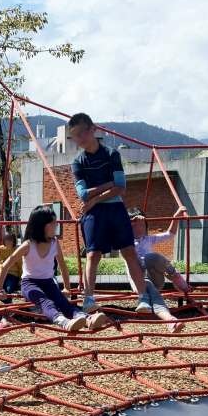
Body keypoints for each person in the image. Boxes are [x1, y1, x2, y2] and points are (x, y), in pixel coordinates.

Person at [66, 113, 152, 314]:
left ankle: (143, 298)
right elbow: (82, 194)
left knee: (129, 251)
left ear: (92, 130)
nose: (78, 139)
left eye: (80, 134)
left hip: (113, 209)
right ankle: (88, 298)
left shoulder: (112, 154)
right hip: (94, 213)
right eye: (74, 136)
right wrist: (108, 185)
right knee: (93, 254)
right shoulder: (78, 161)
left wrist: (95, 197)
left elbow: (121, 188)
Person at [0, 205, 109, 332]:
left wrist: (66, 287)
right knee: (45, 301)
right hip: (29, 283)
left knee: (63, 302)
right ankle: (63, 322)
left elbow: (63, 266)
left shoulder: (54, 243)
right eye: (54, 223)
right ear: (44, 226)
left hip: (48, 282)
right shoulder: (28, 245)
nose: (57, 225)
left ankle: (87, 319)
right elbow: (6, 265)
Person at [130, 206, 191, 293]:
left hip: (155, 280)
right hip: (139, 281)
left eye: (142, 225)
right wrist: (130, 222)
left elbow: (170, 234)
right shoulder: (125, 243)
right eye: (134, 226)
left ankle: (174, 275)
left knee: (151, 257)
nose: (139, 229)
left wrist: (176, 217)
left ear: (146, 226)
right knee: (149, 257)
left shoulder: (148, 239)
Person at [0, 229, 22, 301]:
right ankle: (4, 304)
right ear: (4, 240)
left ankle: (7, 305)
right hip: (0, 273)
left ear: (14, 241)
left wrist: (20, 277)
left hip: (12, 274)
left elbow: (20, 265)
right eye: (6, 240)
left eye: (10, 240)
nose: (8, 242)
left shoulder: (16, 250)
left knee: (8, 290)